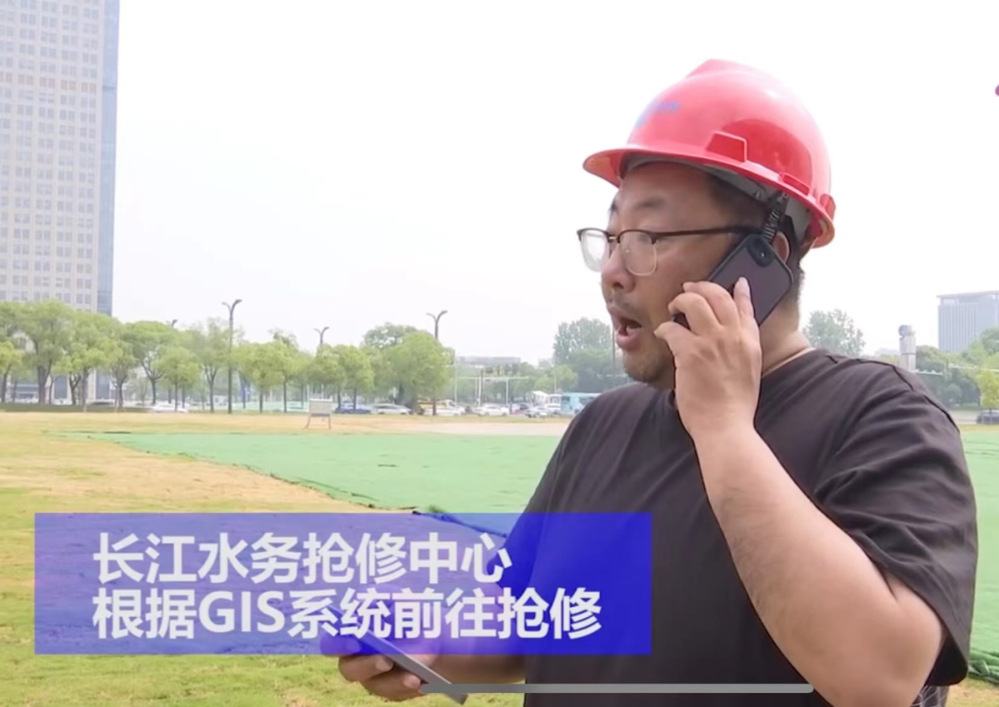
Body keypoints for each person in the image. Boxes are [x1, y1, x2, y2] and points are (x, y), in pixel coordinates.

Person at [334, 59, 979, 706]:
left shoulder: (881, 417)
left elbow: (878, 678)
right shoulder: (603, 425)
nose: (613, 270)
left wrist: (723, 428)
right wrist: (431, 644)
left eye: (646, 236)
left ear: (763, 257)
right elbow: (526, 619)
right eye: (611, 237)